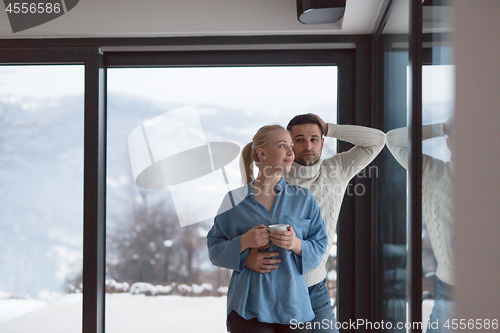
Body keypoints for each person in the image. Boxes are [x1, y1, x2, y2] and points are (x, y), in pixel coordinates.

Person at [245, 114, 386, 332]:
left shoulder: (336, 170)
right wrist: (246, 258)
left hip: (317, 288)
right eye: (299, 140)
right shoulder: (275, 177)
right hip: (280, 290)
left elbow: (377, 140)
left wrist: (329, 128)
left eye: (314, 138)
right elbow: (244, 231)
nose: (308, 145)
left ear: (322, 142)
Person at [207, 124, 328, 333]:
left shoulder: (304, 199)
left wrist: (296, 244)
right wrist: (244, 247)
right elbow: (215, 249)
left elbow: (319, 246)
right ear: (261, 153)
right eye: (283, 146)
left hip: (294, 309)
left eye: (291, 145)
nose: (291, 152)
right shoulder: (233, 201)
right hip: (248, 308)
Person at [386, 118, 454, 332]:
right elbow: (393, 140)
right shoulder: (433, 172)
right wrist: (443, 127)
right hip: (449, 289)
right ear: (449, 142)